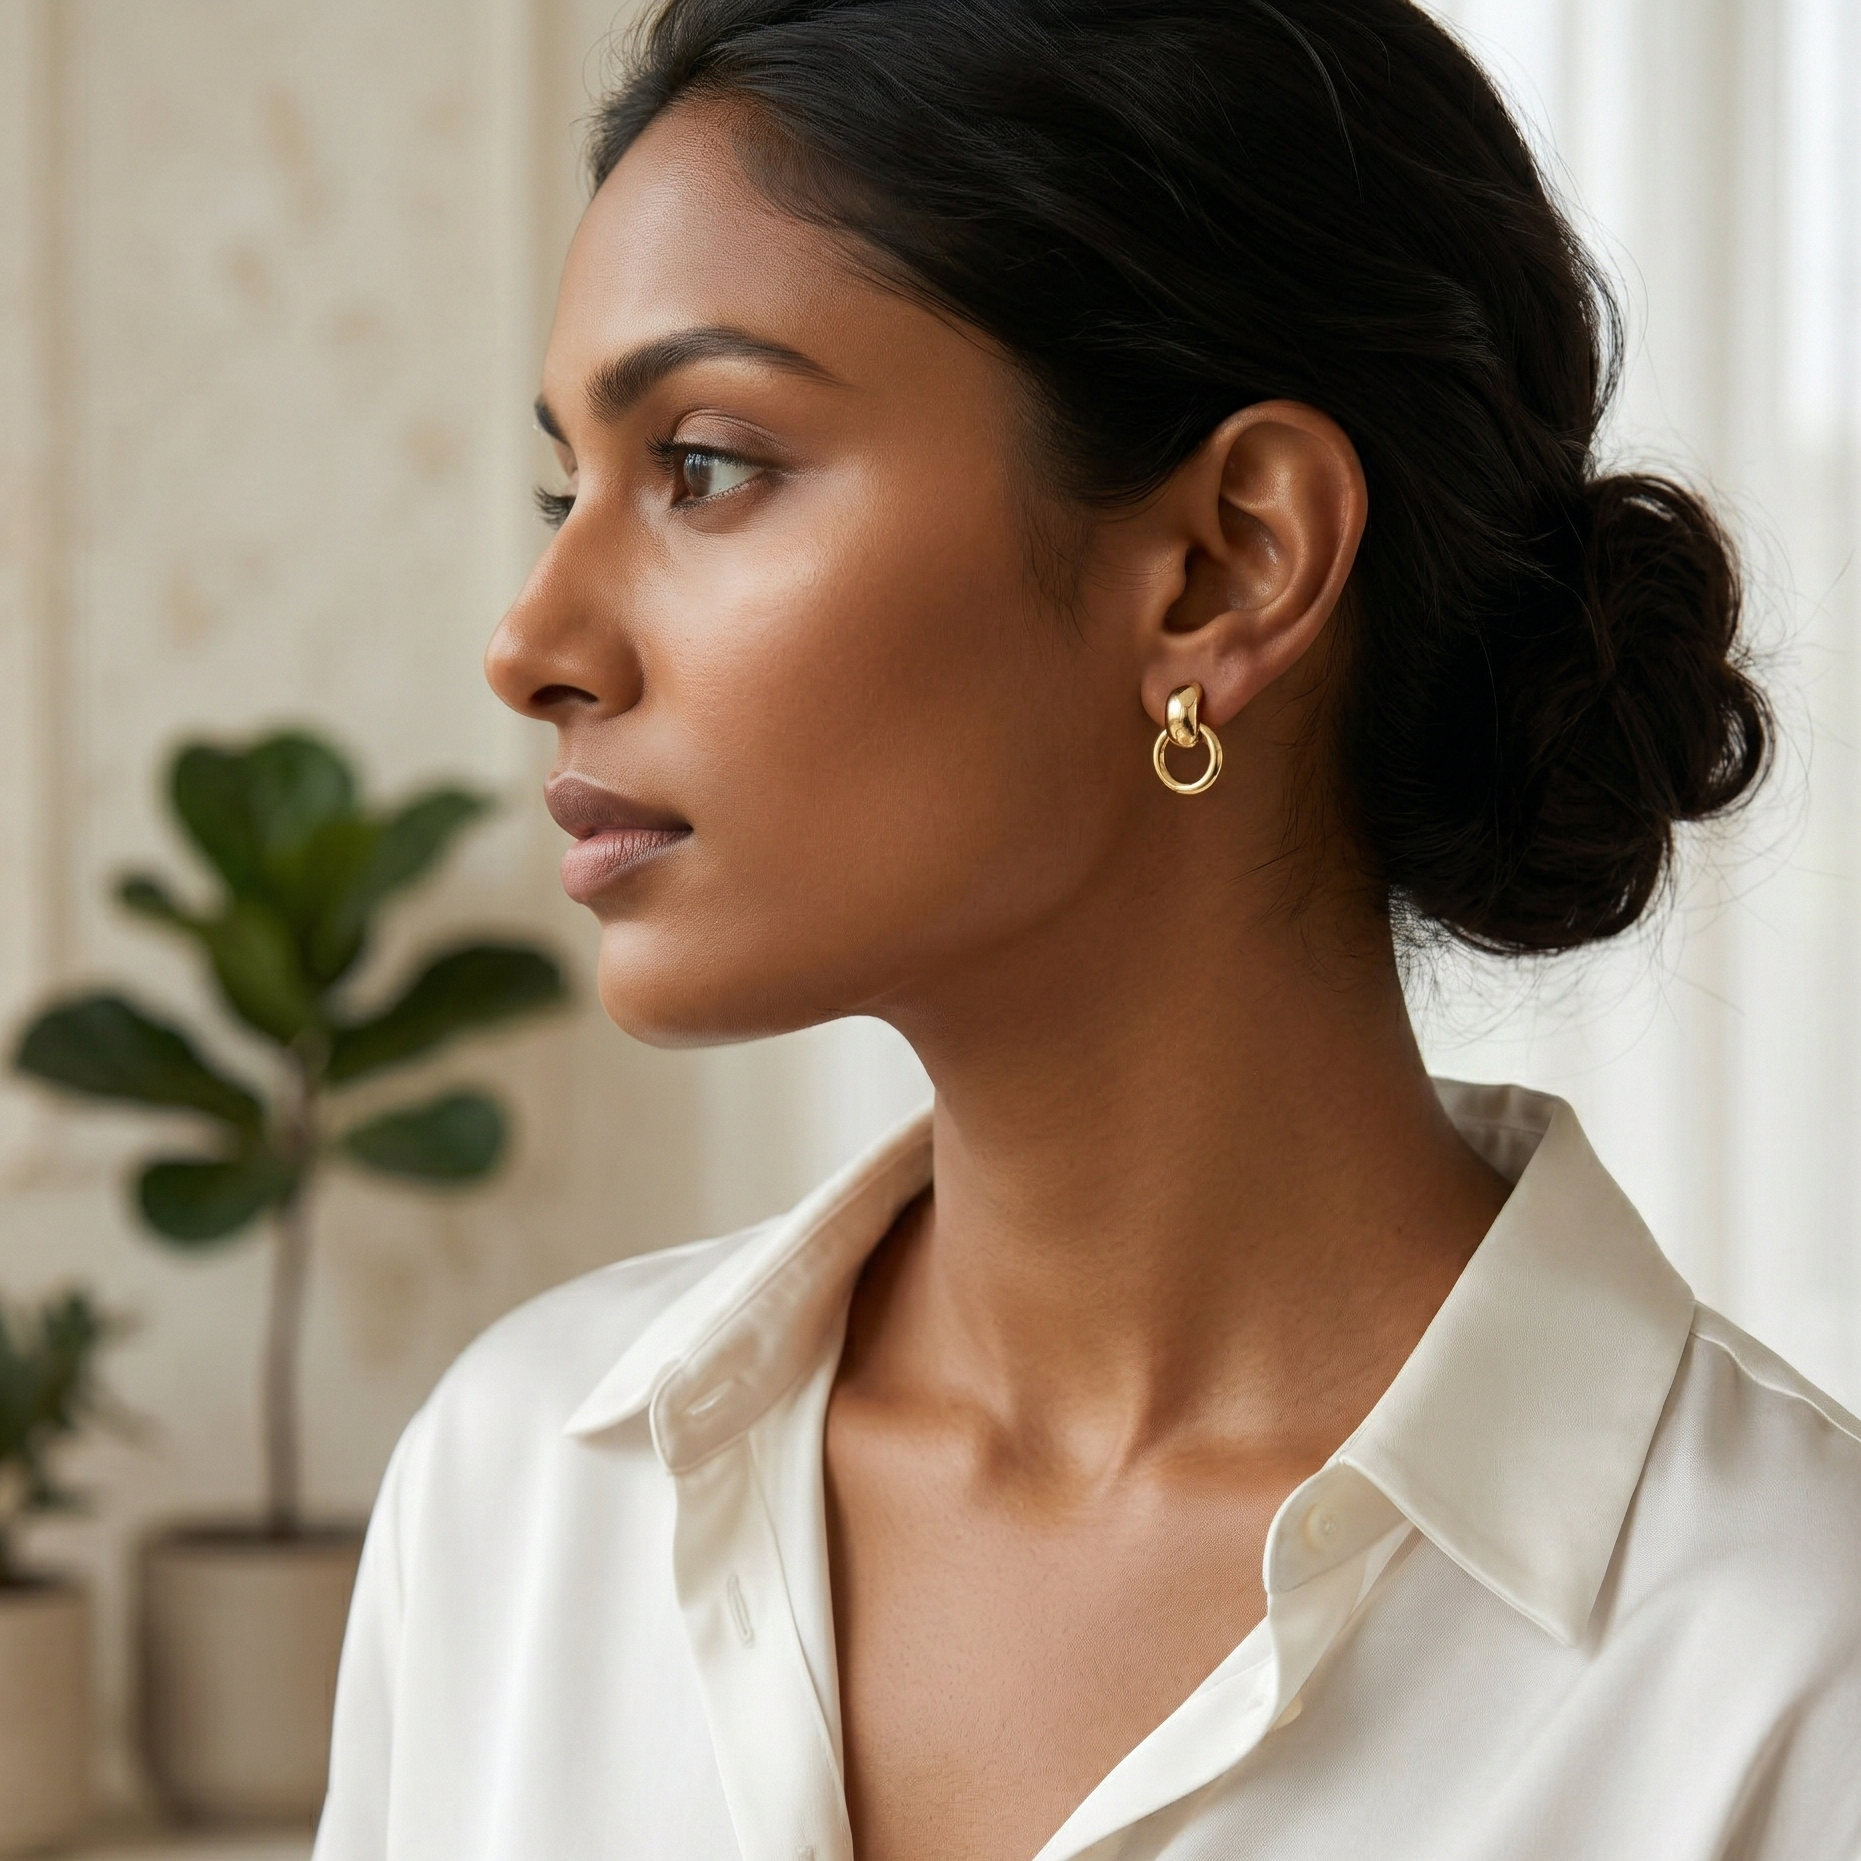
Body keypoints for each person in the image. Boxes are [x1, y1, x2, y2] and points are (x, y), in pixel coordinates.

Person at [313, 3, 1861, 1857]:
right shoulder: (517, 1499)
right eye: (568, 488)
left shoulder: (1792, 1670)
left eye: (704, 466)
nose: (531, 643)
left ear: (1226, 562)